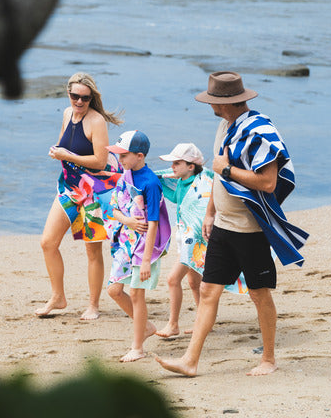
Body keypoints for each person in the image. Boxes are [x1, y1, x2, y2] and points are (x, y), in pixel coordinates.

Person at [156, 71, 308, 377]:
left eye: (213, 99)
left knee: (259, 293)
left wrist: (227, 170)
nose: (209, 104)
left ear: (225, 102)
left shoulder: (258, 132)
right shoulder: (224, 126)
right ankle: (190, 360)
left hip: (250, 230)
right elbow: (216, 177)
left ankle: (268, 358)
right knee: (209, 290)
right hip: (223, 225)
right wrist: (211, 211)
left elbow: (267, 182)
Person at [36, 73, 123, 320]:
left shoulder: (96, 122)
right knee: (48, 243)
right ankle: (58, 297)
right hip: (68, 189)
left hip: (93, 193)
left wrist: (68, 156)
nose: (80, 102)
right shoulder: (66, 114)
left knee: (92, 252)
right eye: (75, 96)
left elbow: (100, 161)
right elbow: (65, 144)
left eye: (85, 98)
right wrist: (57, 151)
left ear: (91, 98)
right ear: (69, 94)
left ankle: (93, 305)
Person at [106, 130, 171, 362]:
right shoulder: (125, 175)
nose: (119, 161)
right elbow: (113, 208)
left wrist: (146, 261)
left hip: (145, 247)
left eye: (124, 156)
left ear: (140, 156)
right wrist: (128, 221)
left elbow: (153, 223)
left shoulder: (150, 183)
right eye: (118, 156)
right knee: (114, 290)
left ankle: (137, 347)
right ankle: (144, 326)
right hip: (126, 241)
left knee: (136, 293)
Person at [154, 143, 214, 338]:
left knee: (172, 279)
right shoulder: (181, 181)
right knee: (194, 281)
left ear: (190, 166)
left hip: (194, 239)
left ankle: (173, 324)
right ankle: (203, 321)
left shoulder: (202, 184)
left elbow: (204, 206)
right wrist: (157, 179)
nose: (172, 167)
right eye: (172, 163)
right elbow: (175, 197)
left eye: (177, 163)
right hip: (183, 236)